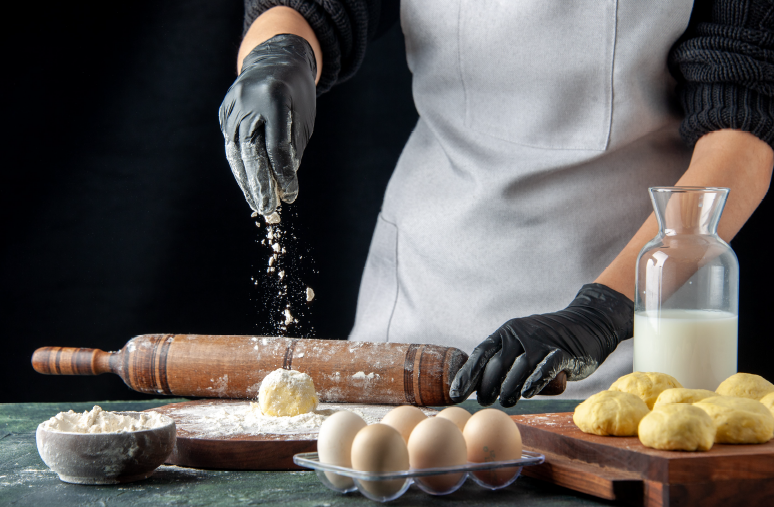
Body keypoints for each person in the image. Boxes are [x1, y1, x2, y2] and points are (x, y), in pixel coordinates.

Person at [219, 1, 774, 405]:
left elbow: (739, 128)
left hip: (632, 313)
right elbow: (308, 6)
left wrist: (604, 312)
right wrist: (279, 52)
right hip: (424, 300)